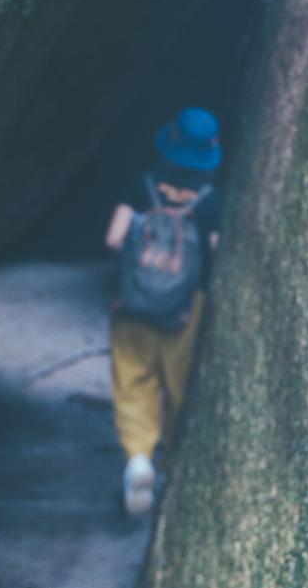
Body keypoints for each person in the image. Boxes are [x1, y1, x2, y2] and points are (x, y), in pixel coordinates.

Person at [104, 106, 224, 518]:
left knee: (132, 380)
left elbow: (114, 239)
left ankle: (138, 458)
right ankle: (170, 468)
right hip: (184, 311)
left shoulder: (141, 186)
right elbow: (213, 251)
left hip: (133, 305)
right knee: (176, 388)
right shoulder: (212, 201)